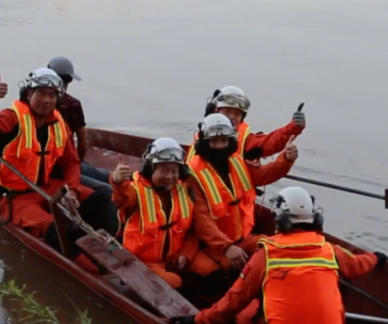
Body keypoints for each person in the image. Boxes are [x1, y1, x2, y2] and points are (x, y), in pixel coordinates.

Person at [169, 186, 388, 324]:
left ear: (280, 220)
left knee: (243, 312)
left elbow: (233, 302)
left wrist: (198, 320)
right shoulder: (330, 251)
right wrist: (376, 257)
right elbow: (358, 264)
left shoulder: (266, 255)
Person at [0, 69, 120, 255]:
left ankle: (109, 245)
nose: (47, 100)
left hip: (46, 187)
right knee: (54, 228)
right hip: (12, 196)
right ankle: (90, 267)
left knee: (102, 199)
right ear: (29, 94)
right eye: (41, 93)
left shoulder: (59, 124)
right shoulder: (12, 117)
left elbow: (71, 163)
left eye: (52, 95)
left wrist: (72, 190)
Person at [110, 137, 228, 289]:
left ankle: (208, 310)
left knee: (212, 272)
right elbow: (121, 199)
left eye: (174, 170)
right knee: (174, 282)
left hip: (177, 257)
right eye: (163, 170)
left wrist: (185, 255)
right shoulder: (136, 191)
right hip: (143, 262)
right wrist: (118, 182)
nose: (169, 176)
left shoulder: (185, 191)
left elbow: (192, 233)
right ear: (150, 169)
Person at [187, 113, 298, 270]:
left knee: (276, 249)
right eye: (214, 141)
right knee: (210, 273)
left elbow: (265, 174)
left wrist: (285, 159)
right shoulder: (193, 174)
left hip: (243, 238)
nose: (220, 146)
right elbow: (201, 219)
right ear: (204, 143)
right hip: (210, 245)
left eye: (224, 140)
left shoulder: (237, 162)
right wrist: (226, 247)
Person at [46, 56, 113, 196]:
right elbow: (82, 141)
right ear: (68, 80)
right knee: (106, 178)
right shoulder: (72, 104)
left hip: (45, 165)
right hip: (61, 166)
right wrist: (78, 163)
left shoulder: (31, 102)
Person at [187, 85, 305, 165]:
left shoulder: (245, 142)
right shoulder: (203, 134)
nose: (231, 117)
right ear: (214, 111)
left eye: (237, 114)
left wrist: (292, 128)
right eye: (227, 112)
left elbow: (270, 142)